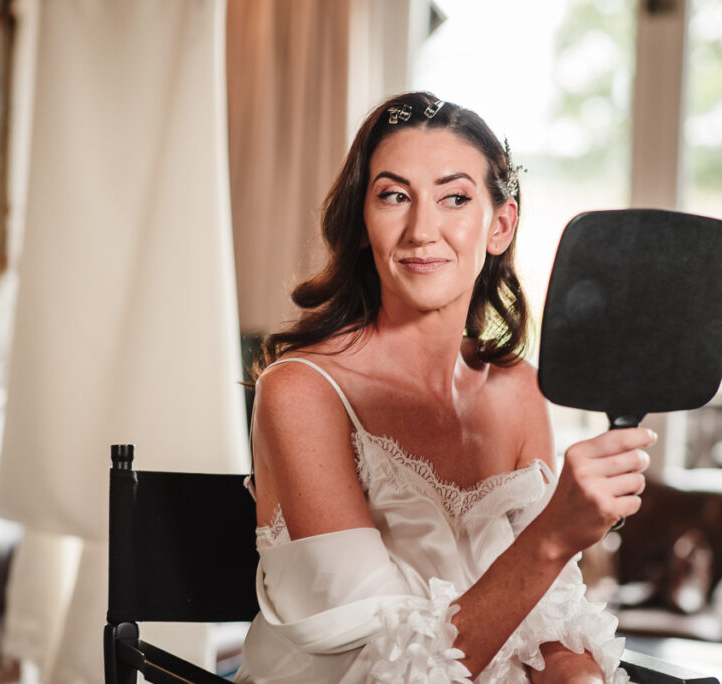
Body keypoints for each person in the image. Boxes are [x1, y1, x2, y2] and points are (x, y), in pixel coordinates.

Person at [234, 91, 655, 683]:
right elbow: (388, 671)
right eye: (394, 196)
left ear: (499, 225)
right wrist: (554, 535)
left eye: (454, 198)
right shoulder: (302, 394)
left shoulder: (519, 389)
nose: (421, 230)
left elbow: (550, 625)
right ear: (363, 224)